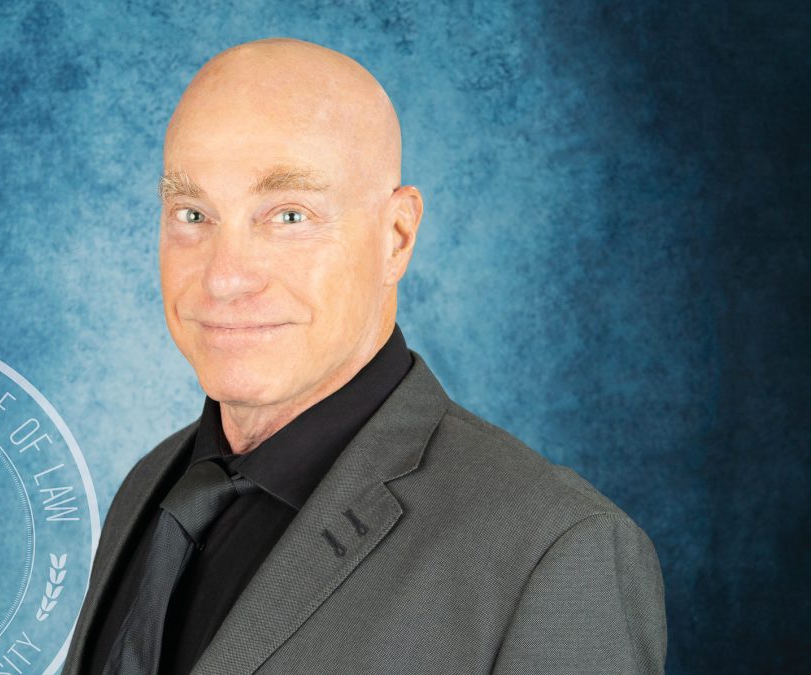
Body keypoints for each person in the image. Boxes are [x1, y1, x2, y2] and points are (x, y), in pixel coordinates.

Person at [63, 37, 666, 675]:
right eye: (192, 213)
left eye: (289, 216)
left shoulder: (553, 551)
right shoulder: (150, 486)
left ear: (397, 236)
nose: (224, 277)